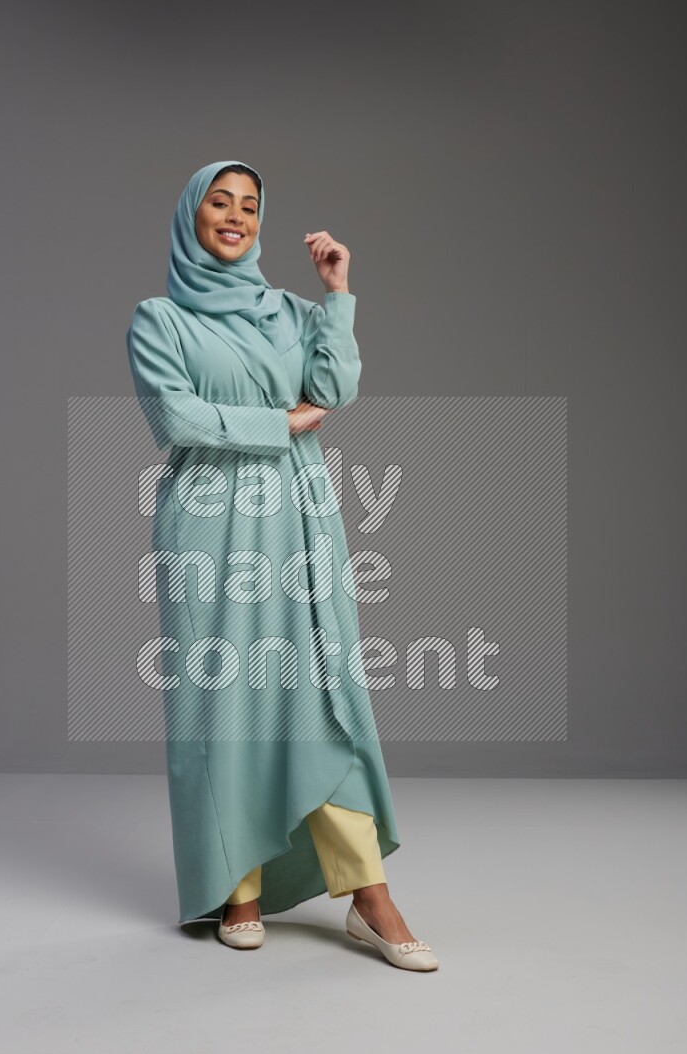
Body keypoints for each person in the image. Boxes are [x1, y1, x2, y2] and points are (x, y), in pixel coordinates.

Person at [126, 159, 438, 971]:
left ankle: (368, 896)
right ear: (192, 215)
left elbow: (334, 387)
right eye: (219, 203)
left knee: (322, 692)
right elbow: (176, 416)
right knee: (227, 697)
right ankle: (240, 883)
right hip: (209, 522)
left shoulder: (291, 311)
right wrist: (281, 424)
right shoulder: (160, 319)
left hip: (299, 515)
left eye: (250, 206)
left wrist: (336, 295)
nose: (235, 216)